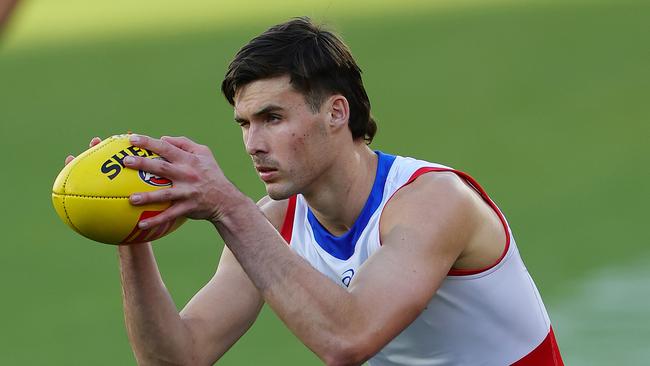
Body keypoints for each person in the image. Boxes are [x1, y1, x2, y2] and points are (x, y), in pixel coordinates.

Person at [67, 17, 563, 365]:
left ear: (336, 113)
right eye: (244, 123)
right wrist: (128, 230)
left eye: (273, 118)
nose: (253, 144)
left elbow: (348, 339)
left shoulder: (432, 200)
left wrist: (226, 205)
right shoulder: (275, 220)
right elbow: (180, 357)